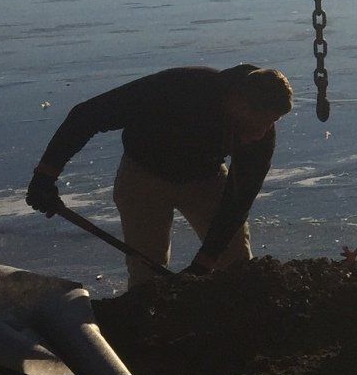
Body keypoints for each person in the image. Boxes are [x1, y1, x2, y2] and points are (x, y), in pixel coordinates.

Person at [25, 64, 292, 284]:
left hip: (205, 177)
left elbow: (238, 200)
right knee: (146, 274)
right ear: (236, 101)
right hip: (143, 175)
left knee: (236, 265)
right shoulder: (178, 89)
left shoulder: (261, 134)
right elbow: (87, 115)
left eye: (270, 123)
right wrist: (45, 176)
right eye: (256, 122)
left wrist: (203, 263)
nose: (260, 133)